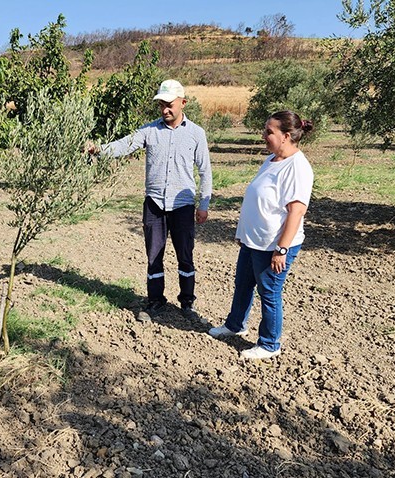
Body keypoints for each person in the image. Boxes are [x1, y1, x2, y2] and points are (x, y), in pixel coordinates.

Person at [91, 79, 212, 322]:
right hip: (154, 204)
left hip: (182, 205)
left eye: (169, 105)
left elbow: (204, 170)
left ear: (182, 103)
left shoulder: (196, 133)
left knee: (185, 256)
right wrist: (99, 149)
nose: (165, 110)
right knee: (154, 255)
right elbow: (125, 145)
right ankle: (155, 301)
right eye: (161, 106)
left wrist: (204, 205)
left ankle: (187, 303)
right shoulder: (149, 131)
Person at [208, 111, 314, 360]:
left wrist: (282, 249)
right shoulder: (272, 159)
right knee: (243, 286)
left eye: (269, 132)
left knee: (269, 293)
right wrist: (243, 232)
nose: (263, 135)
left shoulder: (298, 167)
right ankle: (235, 325)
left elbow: (296, 212)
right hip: (253, 241)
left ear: (286, 136)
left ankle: (269, 344)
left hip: (273, 246)